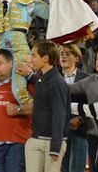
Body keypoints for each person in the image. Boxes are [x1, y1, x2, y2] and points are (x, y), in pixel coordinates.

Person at [23, 40, 69, 172]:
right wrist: (29, 75)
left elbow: (59, 114)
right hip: (36, 137)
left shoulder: (57, 82)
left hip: (51, 142)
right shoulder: (42, 79)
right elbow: (40, 85)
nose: (31, 59)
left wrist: (55, 147)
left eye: (33, 55)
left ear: (45, 58)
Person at [59, 44, 89, 172]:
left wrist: (80, 120)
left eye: (67, 54)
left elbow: (91, 104)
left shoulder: (87, 78)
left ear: (76, 58)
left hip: (80, 130)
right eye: (61, 54)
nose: (63, 56)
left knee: (77, 167)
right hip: (59, 132)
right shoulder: (53, 77)